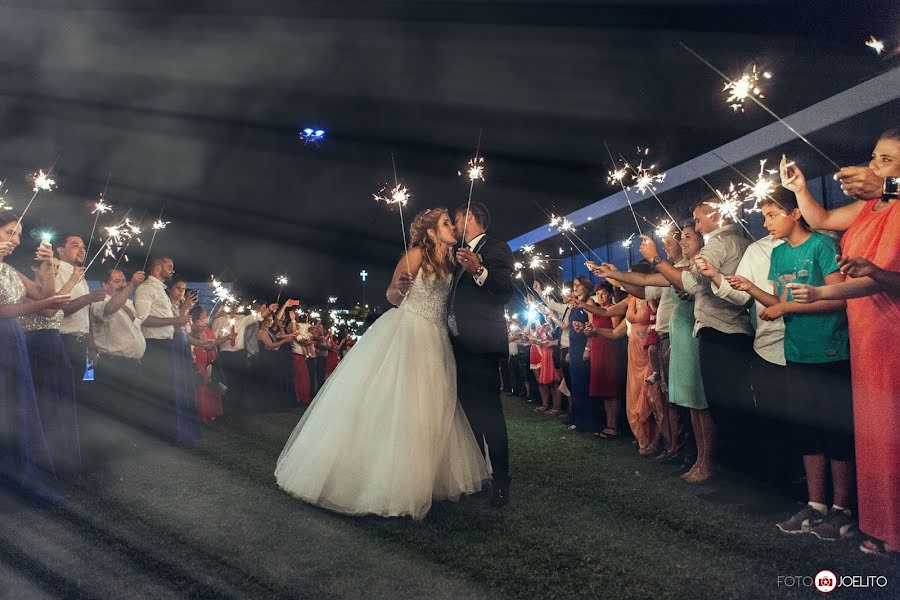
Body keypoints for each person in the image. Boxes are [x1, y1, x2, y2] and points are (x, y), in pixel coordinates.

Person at [275, 208, 488, 520]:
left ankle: (423, 478)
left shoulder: (455, 261)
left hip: (437, 338)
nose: (452, 227)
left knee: (430, 405)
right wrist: (400, 288)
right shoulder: (416, 255)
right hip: (409, 331)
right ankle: (384, 480)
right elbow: (391, 295)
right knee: (396, 401)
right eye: (445, 223)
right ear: (430, 233)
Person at [780, 129, 900, 556]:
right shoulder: (870, 207)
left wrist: (822, 293)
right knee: (874, 433)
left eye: (885, 159)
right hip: (865, 333)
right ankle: (881, 524)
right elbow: (824, 220)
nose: (874, 166)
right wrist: (800, 188)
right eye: (874, 157)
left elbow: (881, 279)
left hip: (893, 334)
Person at [725, 193, 854, 542]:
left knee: (836, 433)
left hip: (830, 352)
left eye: (771, 215)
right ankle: (816, 505)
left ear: (795, 213)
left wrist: (788, 309)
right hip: (795, 353)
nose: (765, 223)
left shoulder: (822, 246)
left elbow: (840, 298)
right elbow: (781, 302)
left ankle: (843, 509)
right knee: (806, 431)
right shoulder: (779, 254)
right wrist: (752, 288)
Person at [0, 210, 71, 499]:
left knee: (16, 409)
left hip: (13, 343)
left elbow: (45, 301)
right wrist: (46, 301)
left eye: (18, 234)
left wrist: (47, 265)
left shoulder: (9, 271)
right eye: (9, 233)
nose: (16, 240)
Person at [450, 201, 517, 507]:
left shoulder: (496, 248)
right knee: (468, 414)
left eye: (457, 219)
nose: (454, 225)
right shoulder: (454, 257)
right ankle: (478, 474)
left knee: (490, 413)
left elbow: (505, 289)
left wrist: (478, 268)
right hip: (458, 345)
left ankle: (501, 482)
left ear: (471, 217)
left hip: (484, 344)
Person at [90, 268, 147, 451]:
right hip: (112, 364)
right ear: (104, 285)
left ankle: (126, 443)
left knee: (131, 407)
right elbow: (110, 309)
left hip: (131, 364)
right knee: (114, 408)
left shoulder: (128, 303)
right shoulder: (98, 301)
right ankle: (107, 446)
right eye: (117, 281)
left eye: (124, 281)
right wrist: (131, 284)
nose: (122, 284)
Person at [134, 257, 190, 441]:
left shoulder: (161, 290)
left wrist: (177, 320)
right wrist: (175, 320)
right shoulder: (146, 288)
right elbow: (143, 319)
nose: (172, 271)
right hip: (154, 346)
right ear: (158, 268)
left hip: (166, 345)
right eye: (169, 267)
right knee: (156, 391)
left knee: (166, 391)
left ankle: (165, 433)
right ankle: (153, 434)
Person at [584, 283, 622, 439]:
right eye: (597, 293)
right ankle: (608, 424)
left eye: (603, 293)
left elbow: (615, 331)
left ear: (610, 294)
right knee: (605, 392)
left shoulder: (613, 310)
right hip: (598, 350)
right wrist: (585, 330)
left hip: (610, 351)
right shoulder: (597, 313)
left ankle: (613, 426)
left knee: (612, 390)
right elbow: (594, 331)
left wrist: (596, 330)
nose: (600, 297)